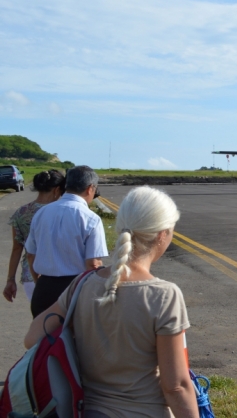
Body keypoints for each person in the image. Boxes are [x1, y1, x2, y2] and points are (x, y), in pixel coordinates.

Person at [24, 186, 198, 418]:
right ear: (162, 234)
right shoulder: (164, 295)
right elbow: (175, 386)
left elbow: (31, 339)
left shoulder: (82, 284)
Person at [24, 166, 108, 318]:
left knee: (44, 339)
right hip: (75, 290)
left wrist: (39, 282)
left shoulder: (42, 213)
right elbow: (93, 264)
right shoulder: (91, 218)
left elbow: (31, 254)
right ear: (90, 189)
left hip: (43, 289)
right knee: (74, 339)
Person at [4, 170, 66, 303]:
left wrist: (10, 280)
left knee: (39, 319)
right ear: (56, 190)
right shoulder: (63, 212)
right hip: (59, 275)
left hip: (30, 277)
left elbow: (16, 248)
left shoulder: (21, 212)